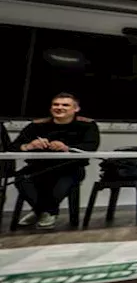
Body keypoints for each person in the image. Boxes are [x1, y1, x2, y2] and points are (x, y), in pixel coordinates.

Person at [13, 93, 100, 230]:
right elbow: (13, 147)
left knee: (61, 183)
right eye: (56, 104)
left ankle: (42, 212)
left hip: (70, 167)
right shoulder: (36, 125)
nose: (59, 108)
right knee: (20, 179)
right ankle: (45, 212)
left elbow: (91, 147)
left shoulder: (87, 125)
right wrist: (29, 146)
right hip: (38, 167)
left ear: (75, 109)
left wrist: (67, 148)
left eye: (65, 105)